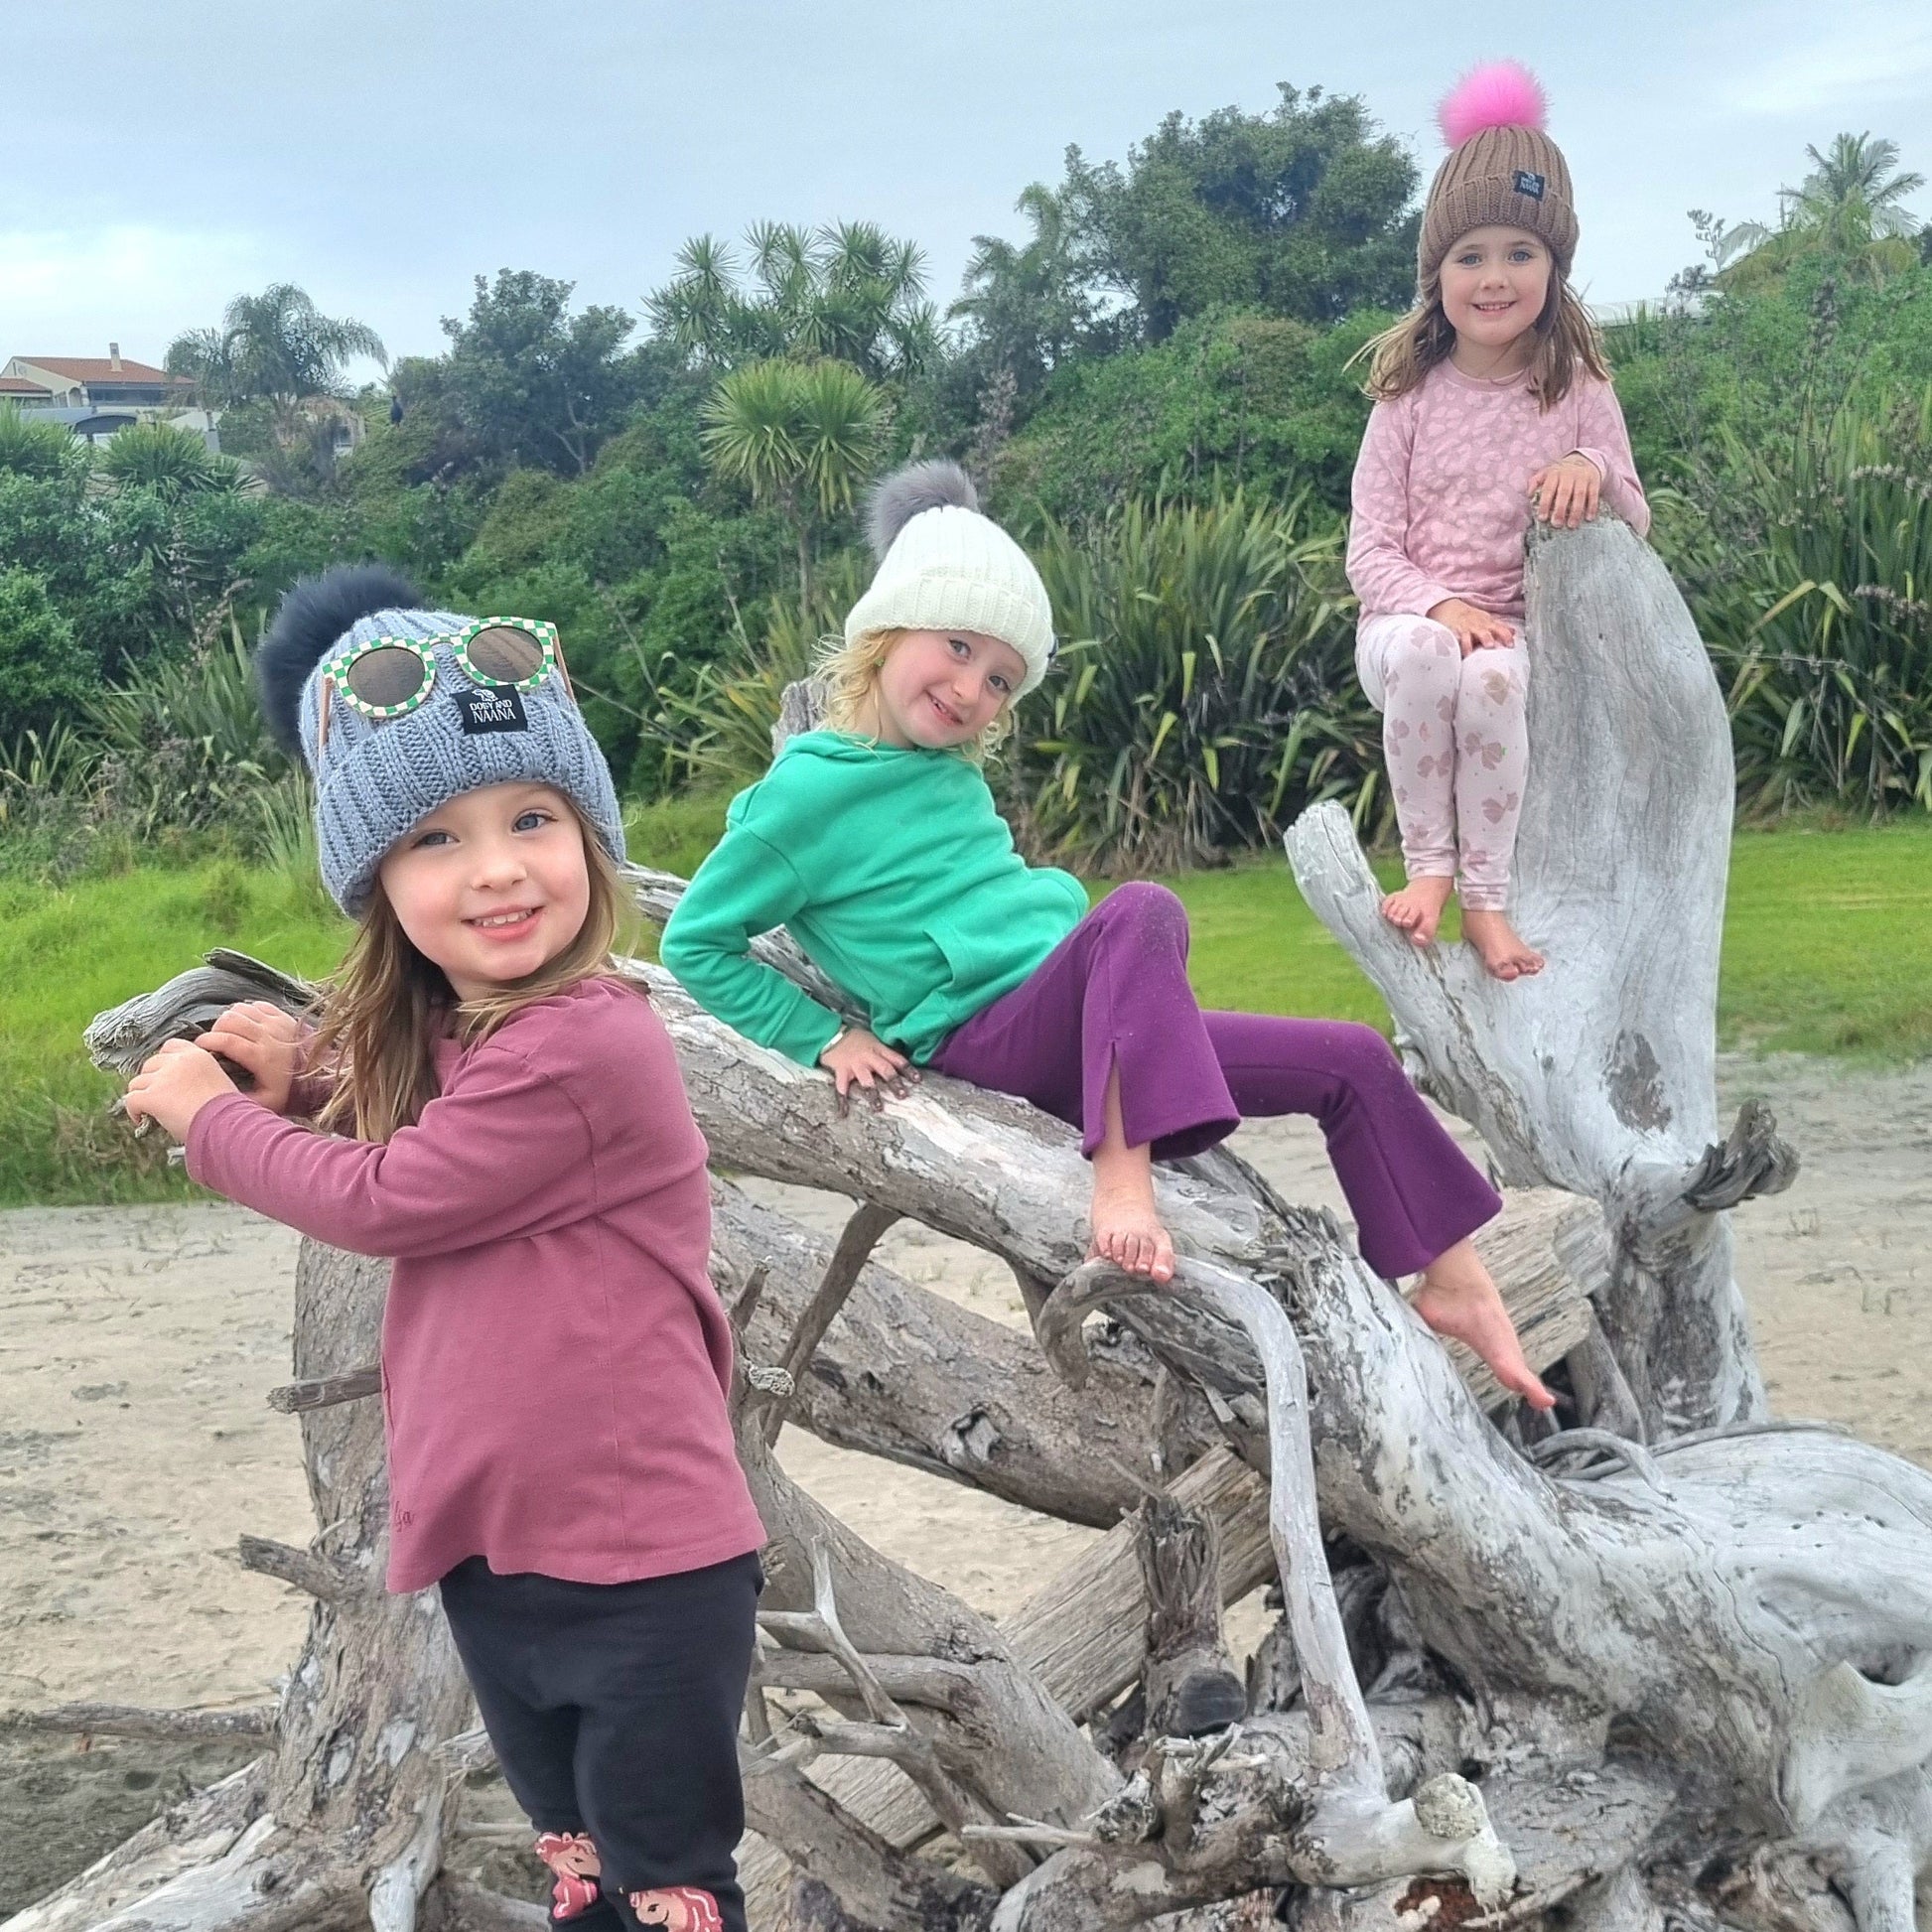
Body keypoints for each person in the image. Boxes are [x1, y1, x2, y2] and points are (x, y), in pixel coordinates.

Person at [121, 566, 765, 1932]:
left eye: (533, 816)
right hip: (503, 1557)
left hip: (641, 1567)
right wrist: (304, 1074)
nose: (496, 867)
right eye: (434, 837)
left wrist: (209, 1118)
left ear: (589, 833)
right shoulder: (471, 1030)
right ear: (376, 882)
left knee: (668, 1894)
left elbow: (395, 1196)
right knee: (583, 1876)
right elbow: (430, 1117)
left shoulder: (588, 1037)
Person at [662, 463, 1554, 1410]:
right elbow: (697, 942)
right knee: (1140, 908)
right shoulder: (804, 795)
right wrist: (825, 1036)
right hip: (991, 1031)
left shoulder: (948, 772)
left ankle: (1454, 1279)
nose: (969, 688)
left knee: (1353, 1059)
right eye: (956, 647)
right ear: (889, 628)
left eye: (999, 679)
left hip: (1093, 1018)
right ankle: (1123, 1181)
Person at [1347, 61, 1650, 981]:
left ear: (1554, 268)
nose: (1494, 277)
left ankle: (1486, 902)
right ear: (1436, 273)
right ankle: (1428, 869)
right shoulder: (1406, 398)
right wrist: (1441, 607)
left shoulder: (1579, 388)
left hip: (1512, 639)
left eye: (1520, 253)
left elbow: (1635, 519)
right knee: (1434, 655)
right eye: (1469, 256)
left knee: (1489, 683)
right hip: (1404, 627)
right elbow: (1369, 552)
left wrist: (1592, 466)